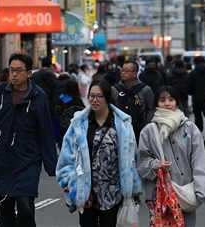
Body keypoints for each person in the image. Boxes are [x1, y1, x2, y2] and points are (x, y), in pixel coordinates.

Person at [0, 53, 58, 227]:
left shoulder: (38, 96)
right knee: (4, 206)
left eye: (19, 71)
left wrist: (51, 164)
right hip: (1, 158)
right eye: (12, 70)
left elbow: (45, 131)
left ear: (29, 73)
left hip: (27, 158)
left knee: (25, 204)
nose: (14, 74)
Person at [56, 80, 143, 227]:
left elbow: (132, 157)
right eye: (91, 96)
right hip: (86, 190)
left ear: (108, 98)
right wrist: (68, 180)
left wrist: (132, 185)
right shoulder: (79, 124)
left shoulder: (122, 125)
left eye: (99, 96)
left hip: (113, 191)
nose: (94, 100)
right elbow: (67, 152)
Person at [138, 85, 205, 227]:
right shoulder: (149, 131)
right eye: (162, 100)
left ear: (177, 102)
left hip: (185, 190)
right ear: (156, 103)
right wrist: (156, 165)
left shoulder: (189, 127)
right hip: (159, 193)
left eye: (171, 99)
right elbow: (142, 162)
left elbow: (198, 159)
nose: (167, 103)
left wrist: (201, 190)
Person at [111, 60, 155, 140]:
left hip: (140, 132)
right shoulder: (114, 89)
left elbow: (151, 109)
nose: (123, 73)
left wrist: (146, 127)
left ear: (135, 73)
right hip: (119, 131)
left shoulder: (145, 89)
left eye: (127, 71)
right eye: (122, 70)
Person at [185, 56, 205, 132]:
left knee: (197, 116)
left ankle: (198, 132)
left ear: (195, 62)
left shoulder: (193, 73)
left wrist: (191, 92)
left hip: (196, 97)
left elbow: (188, 84)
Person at [55, 79, 85, 145]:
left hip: (63, 126)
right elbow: (83, 114)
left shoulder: (61, 99)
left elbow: (57, 112)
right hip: (75, 128)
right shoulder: (78, 101)